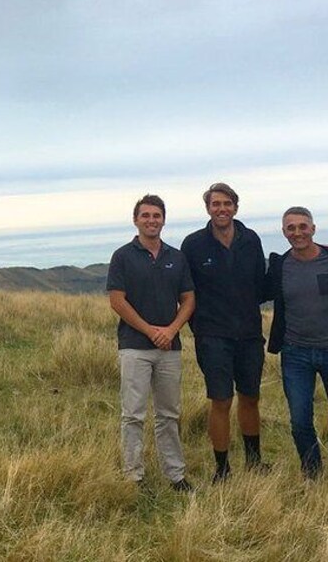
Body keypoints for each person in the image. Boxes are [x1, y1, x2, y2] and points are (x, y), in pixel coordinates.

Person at [180, 183, 271, 483]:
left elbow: (259, 283)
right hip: (212, 336)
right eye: (216, 204)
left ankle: (255, 461)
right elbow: (185, 291)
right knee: (220, 401)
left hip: (248, 334)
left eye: (227, 203)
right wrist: (200, 329)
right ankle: (222, 468)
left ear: (235, 207)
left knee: (250, 397)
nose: (222, 209)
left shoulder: (251, 239)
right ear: (207, 208)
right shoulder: (193, 245)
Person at [107, 194, 195, 491]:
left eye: (156, 216)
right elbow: (117, 301)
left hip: (169, 348)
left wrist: (170, 330)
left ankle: (176, 475)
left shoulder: (176, 257)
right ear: (136, 220)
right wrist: (150, 330)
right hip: (134, 347)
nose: (151, 220)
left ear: (164, 220)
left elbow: (188, 299)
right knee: (133, 414)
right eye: (145, 215)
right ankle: (134, 476)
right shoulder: (122, 256)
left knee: (169, 414)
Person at [266, 206, 328, 478]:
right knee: (300, 421)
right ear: (283, 232)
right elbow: (250, 292)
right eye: (291, 228)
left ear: (313, 228)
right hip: (295, 353)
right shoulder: (280, 265)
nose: (297, 232)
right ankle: (312, 473)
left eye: (303, 226)